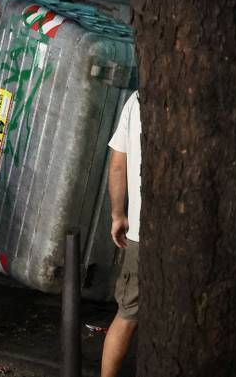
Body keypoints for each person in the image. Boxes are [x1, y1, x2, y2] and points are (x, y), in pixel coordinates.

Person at [101, 91, 141, 377]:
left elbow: (117, 163)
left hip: (142, 230)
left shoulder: (138, 98)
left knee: (128, 315)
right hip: (193, 232)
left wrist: (118, 214)